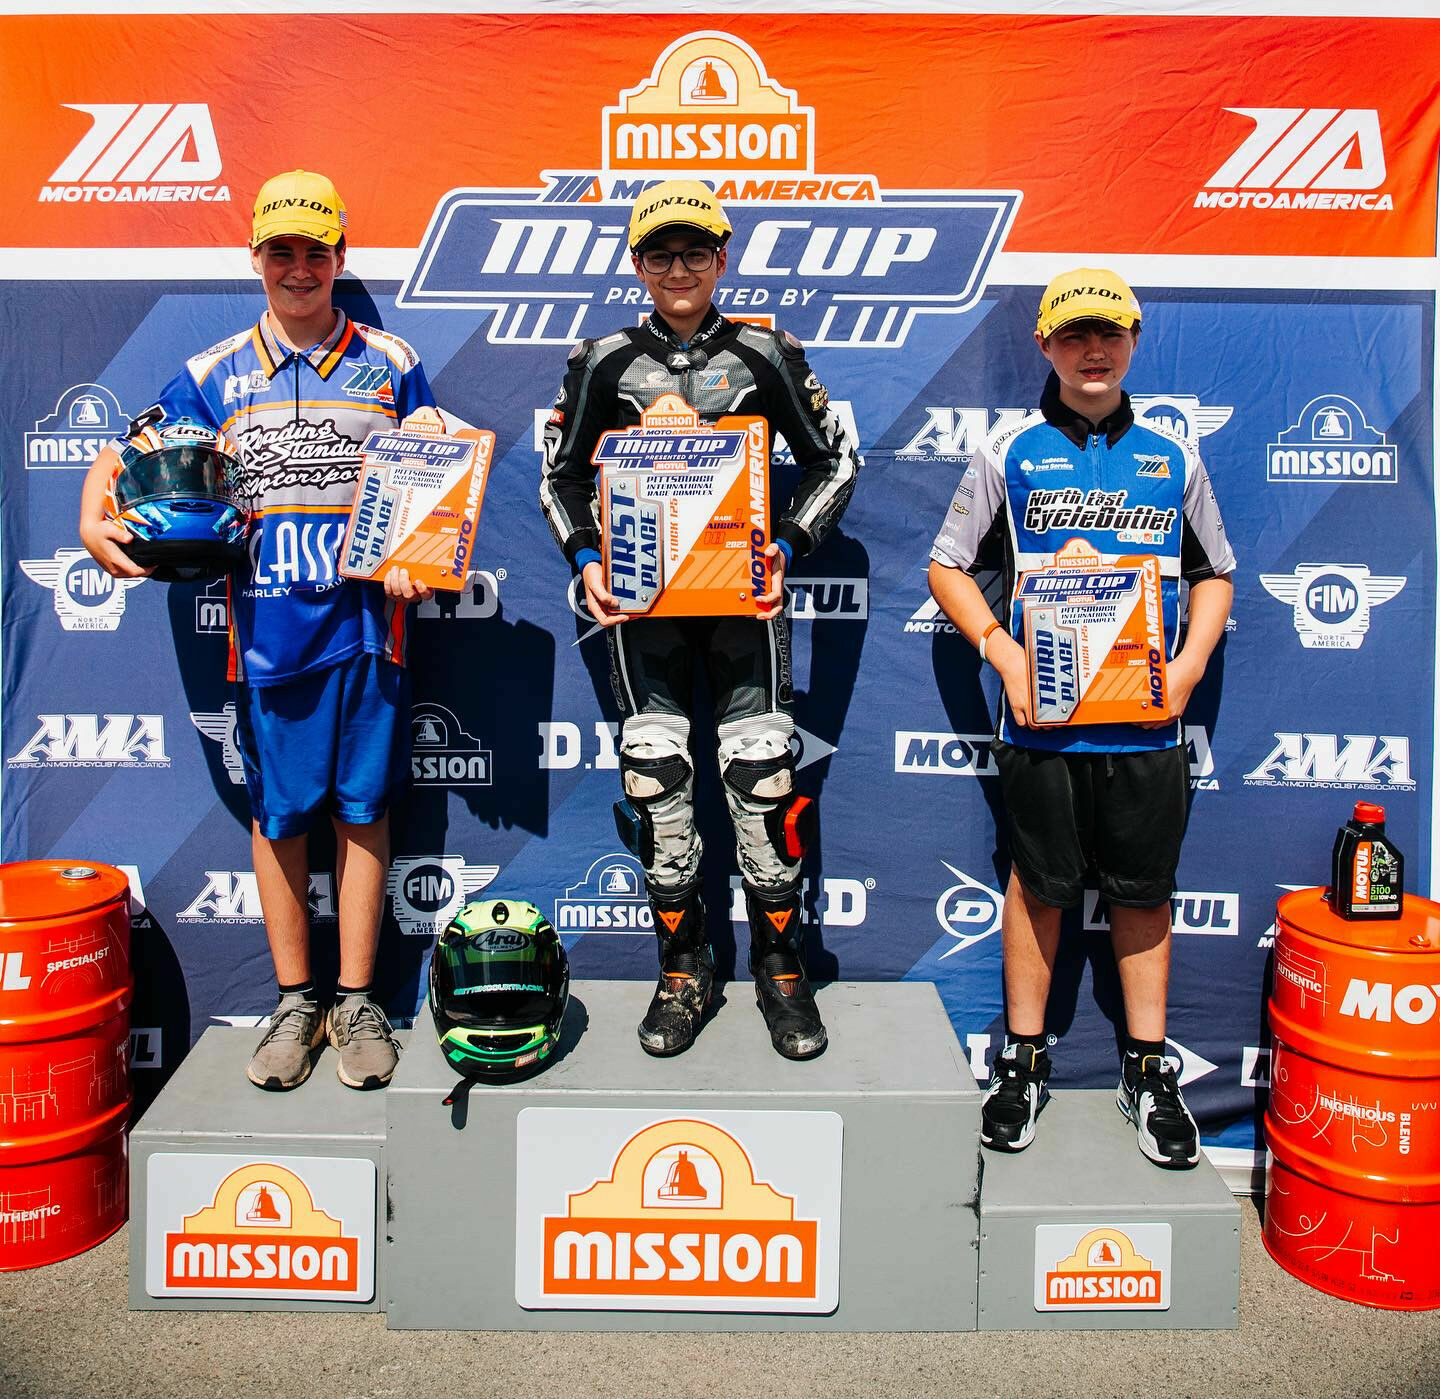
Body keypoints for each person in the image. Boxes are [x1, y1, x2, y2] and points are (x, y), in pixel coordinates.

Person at [80, 169, 451, 1092]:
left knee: (363, 809)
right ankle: (295, 998)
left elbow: (438, 465)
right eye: (280, 250)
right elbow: (122, 452)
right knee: (281, 816)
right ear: (255, 257)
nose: (298, 268)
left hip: (371, 626)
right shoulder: (214, 373)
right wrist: (94, 524)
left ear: (339, 255)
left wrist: (425, 544)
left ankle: (357, 998)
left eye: (315, 249)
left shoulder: (392, 362)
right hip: (270, 631)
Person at [540, 179, 860, 1060]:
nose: (678, 268)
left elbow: (835, 460)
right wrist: (587, 561)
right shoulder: (604, 358)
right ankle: (684, 964)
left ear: (723, 258)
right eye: (659, 253)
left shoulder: (763, 351)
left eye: (696, 252)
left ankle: (781, 965)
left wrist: (786, 547)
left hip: (742, 610)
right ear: (636, 263)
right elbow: (559, 477)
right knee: (656, 779)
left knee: (762, 782)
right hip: (643, 613)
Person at [927, 268, 1235, 1168]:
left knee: (1143, 892)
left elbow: (1216, 570)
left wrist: (1187, 668)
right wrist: (1002, 651)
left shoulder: (1173, 457)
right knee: (1039, 887)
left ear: (1135, 338)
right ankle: (1022, 1059)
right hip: (1042, 726)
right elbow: (948, 564)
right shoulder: (1009, 452)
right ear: (1045, 345)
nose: (1092, 351)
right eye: (1073, 336)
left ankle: (1147, 1066)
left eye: (1108, 334)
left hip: (1146, 726)